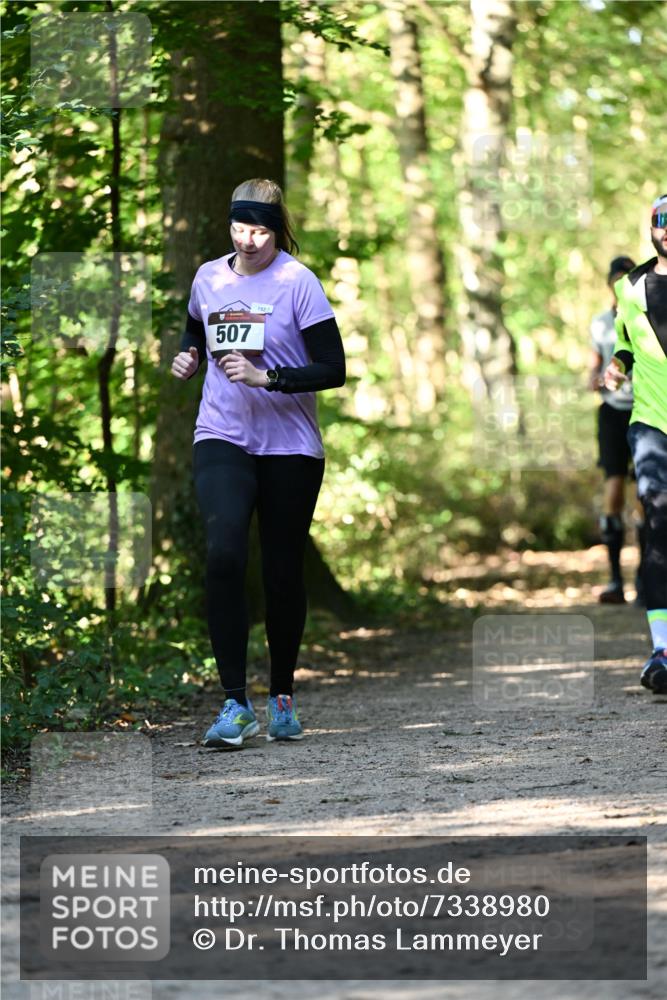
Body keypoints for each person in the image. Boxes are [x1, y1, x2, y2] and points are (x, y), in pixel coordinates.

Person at [171, 178, 346, 745]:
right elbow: (198, 326)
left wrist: (268, 376)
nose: (248, 241)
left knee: (280, 572)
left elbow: (333, 368)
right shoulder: (209, 276)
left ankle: (282, 697)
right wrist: (190, 356)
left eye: (260, 230)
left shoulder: (298, 282)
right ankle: (232, 703)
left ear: (276, 229)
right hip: (221, 433)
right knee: (223, 553)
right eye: (239, 228)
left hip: (290, 446)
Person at [604, 193, 667, 694]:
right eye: (660, 222)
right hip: (650, 423)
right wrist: (617, 365)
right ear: (650, 228)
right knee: (658, 524)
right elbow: (625, 340)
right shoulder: (630, 287)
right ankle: (661, 650)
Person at [588, 255, 644, 604]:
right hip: (612, 414)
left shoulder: (647, 318)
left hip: (646, 411)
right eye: (616, 280)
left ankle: (644, 577)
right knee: (614, 493)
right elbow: (592, 365)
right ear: (610, 284)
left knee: (645, 498)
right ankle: (614, 579)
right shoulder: (600, 324)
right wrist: (595, 380)